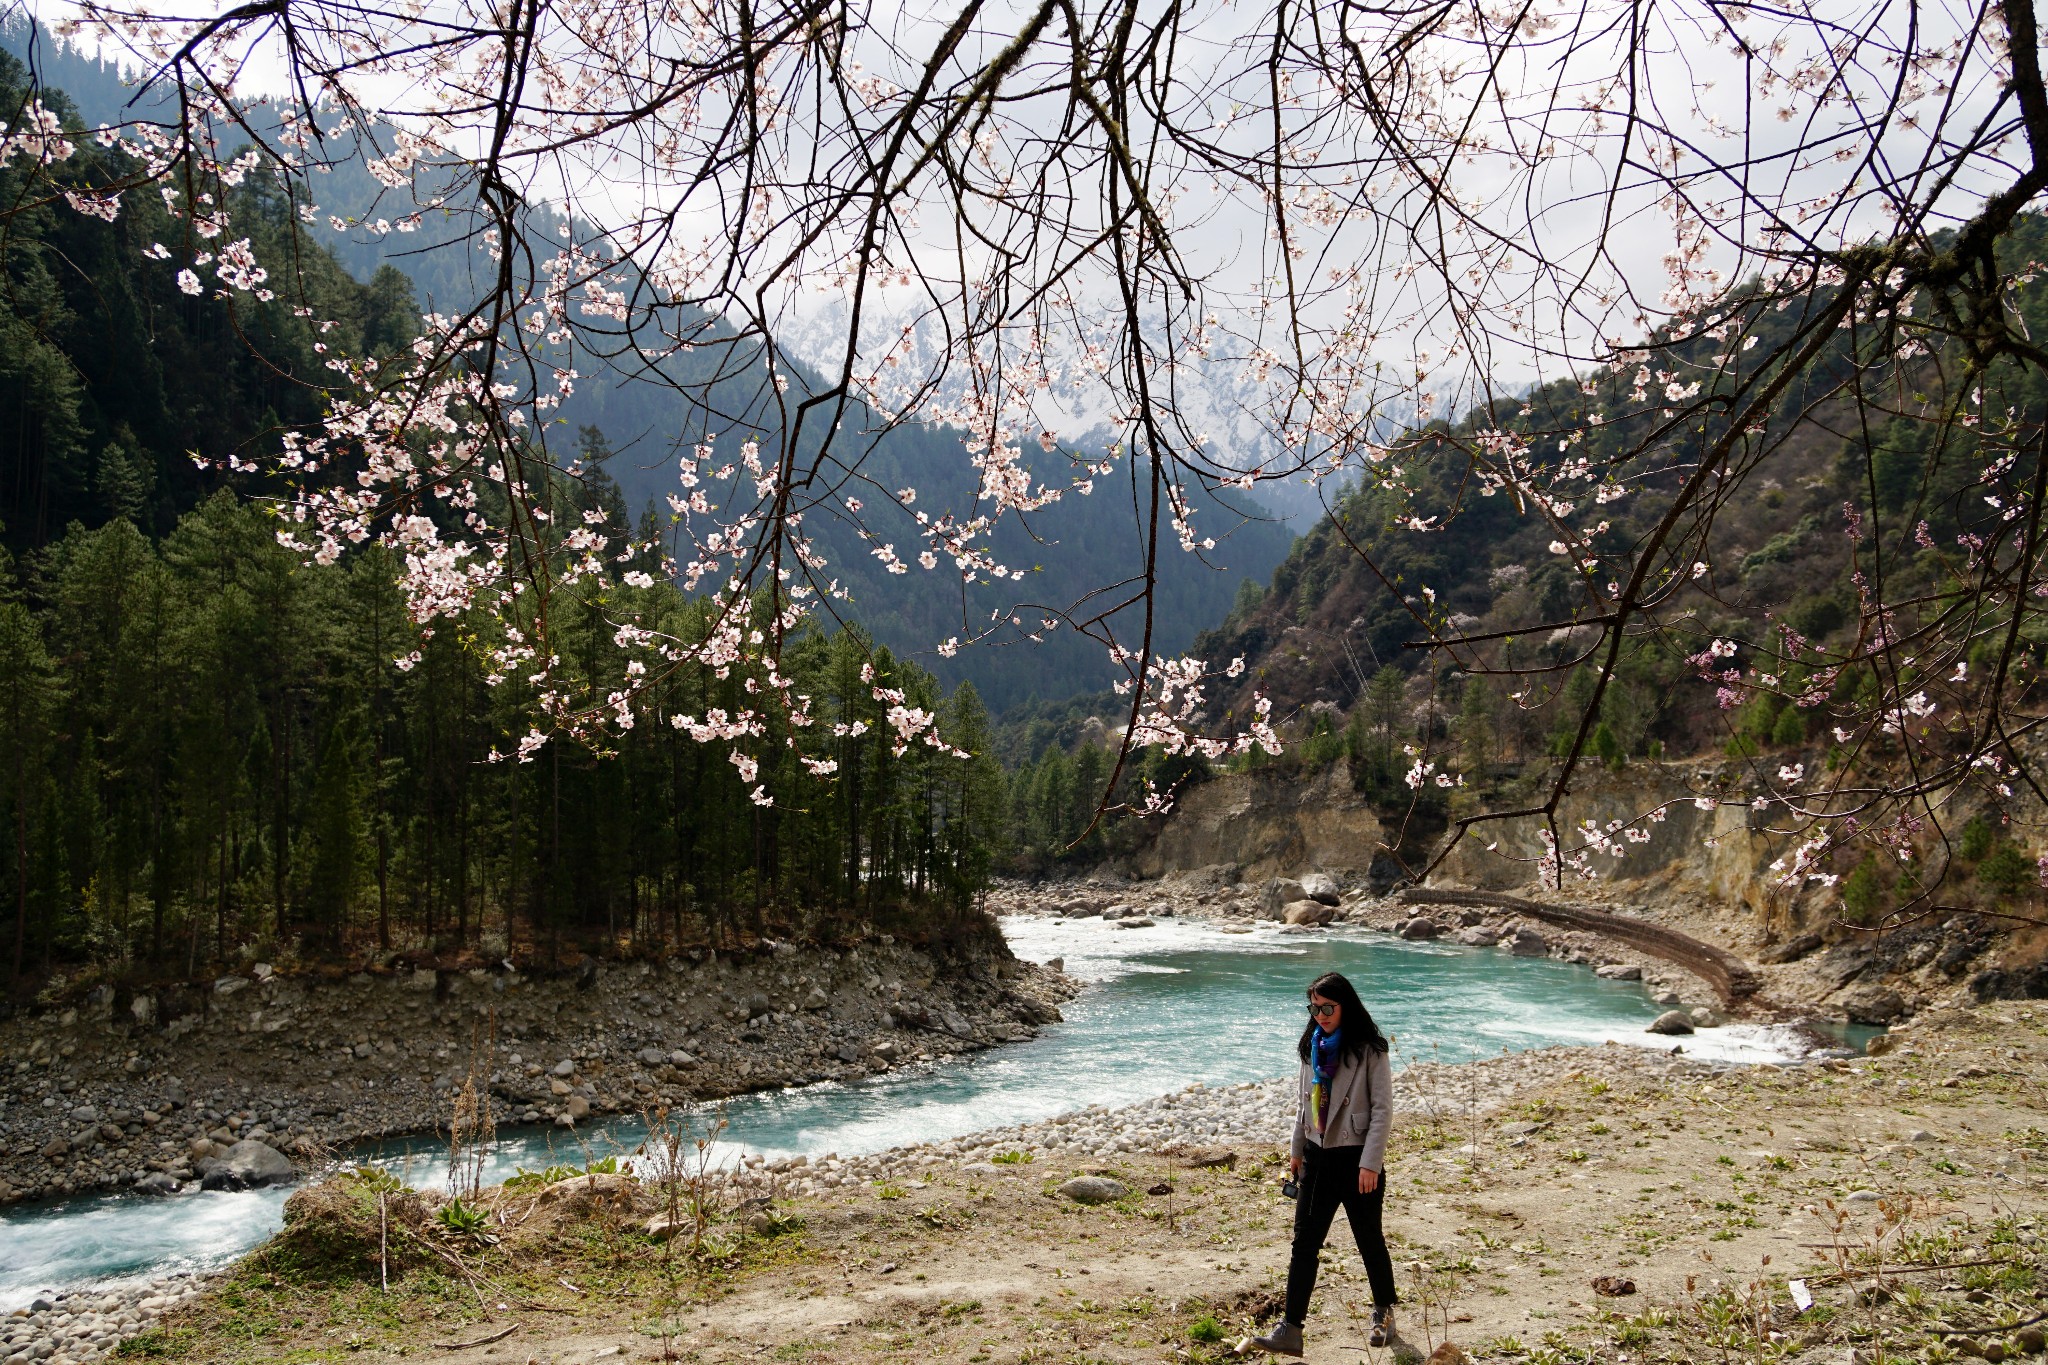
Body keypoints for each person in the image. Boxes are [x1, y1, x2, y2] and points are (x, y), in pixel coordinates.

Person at [1250, 971, 1397, 1356]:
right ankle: (1291, 1329)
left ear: (1345, 1004)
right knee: (1304, 1244)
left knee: (1369, 1239)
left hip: (1357, 1159)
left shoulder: (1370, 1049)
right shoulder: (1310, 1046)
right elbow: (1303, 1104)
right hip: (1317, 1157)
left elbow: (1382, 1110)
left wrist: (1372, 1163)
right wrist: (1296, 1151)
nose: (1320, 1015)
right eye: (1314, 1008)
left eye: (1327, 1007)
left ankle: (1384, 1312)